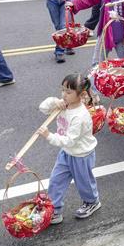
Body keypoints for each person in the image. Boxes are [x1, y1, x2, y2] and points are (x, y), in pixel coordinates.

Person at [37, 73, 101, 224]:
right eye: (63, 90)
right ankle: (55, 210)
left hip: (81, 155)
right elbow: (43, 108)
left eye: (68, 92)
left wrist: (49, 136)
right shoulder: (63, 105)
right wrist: (55, 101)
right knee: (56, 180)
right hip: (66, 153)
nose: (64, 94)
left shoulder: (80, 116)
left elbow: (70, 141)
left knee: (84, 182)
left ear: (81, 94)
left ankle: (92, 202)